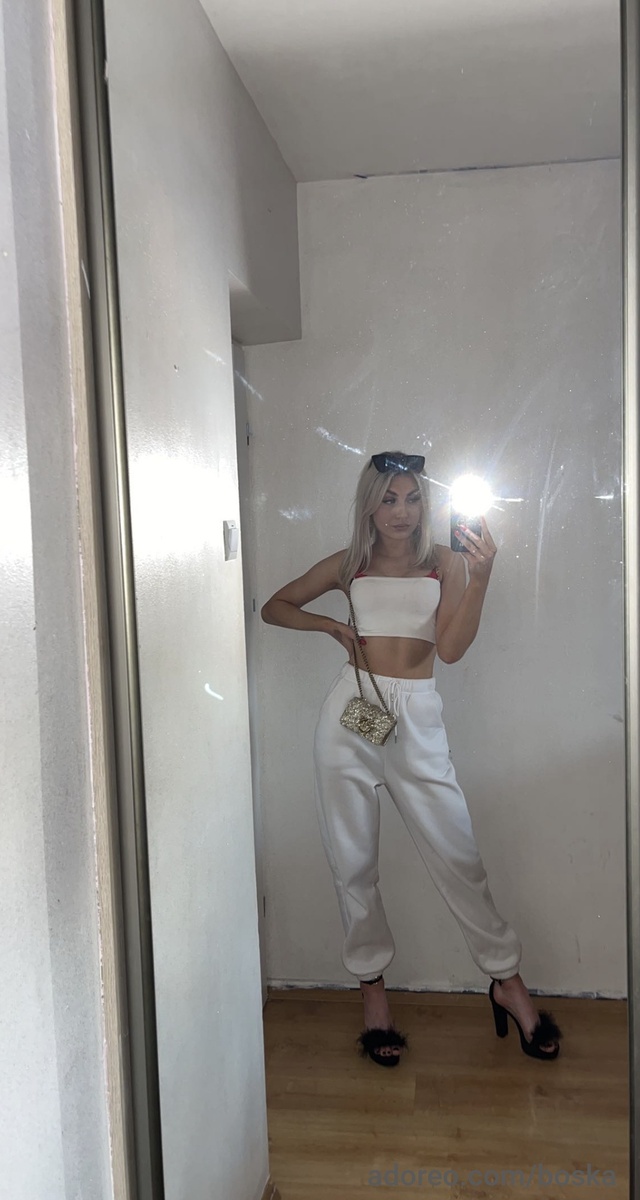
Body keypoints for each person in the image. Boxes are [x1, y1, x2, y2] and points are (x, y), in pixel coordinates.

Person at [261, 451, 562, 1068]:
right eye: (388, 499)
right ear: (369, 505)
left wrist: (481, 577)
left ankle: (506, 981)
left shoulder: (446, 562)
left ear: (427, 503)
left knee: (459, 856)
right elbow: (275, 606)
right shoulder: (350, 563)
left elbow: (449, 649)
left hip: (417, 718)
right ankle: (373, 992)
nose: (401, 512)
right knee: (352, 862)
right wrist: (330, 627)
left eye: (413, 498)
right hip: (352, 714)